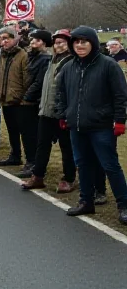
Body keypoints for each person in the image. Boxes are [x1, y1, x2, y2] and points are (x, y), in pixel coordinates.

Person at [56, 26, 127, 224]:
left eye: (84, 41)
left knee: (110, 165)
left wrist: (120, 120)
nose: (80, 45)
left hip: (102, 126)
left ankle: (124, 205)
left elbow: (120, 96)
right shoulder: (69, 66)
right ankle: (86, 201)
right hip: (77, 127)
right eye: (76, 42)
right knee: (83, 165)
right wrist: (64, 115)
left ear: (93, 43)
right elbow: (62, 93)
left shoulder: (108, 65)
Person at [21, 29, 76, 193]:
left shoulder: (71, 62)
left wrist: (65, 112)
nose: (59, 46)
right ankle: (38, 176)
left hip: (62, 113)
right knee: (42, 145)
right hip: (45, 111)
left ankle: (69, 179)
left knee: (67, 148)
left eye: (62, 42)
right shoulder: (52, 60)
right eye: (57, 42)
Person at [9, 29, 51, 179]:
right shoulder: (32, 57)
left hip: (33, 102)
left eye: (37, 40)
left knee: (31, 134)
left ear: (44, 43)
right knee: (26, 133)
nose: (33, 42)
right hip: (26, 100)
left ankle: (33, 162)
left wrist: (26, 97)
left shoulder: (45, 59)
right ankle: (30, 161)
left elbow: (39, 82)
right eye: (32, 40)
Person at [0, 27, 33, 173]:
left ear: (14, 39)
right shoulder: (2, 56)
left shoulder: (23, 55)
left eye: (7, 38)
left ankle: (31, 160)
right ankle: (15, 155)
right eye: (2, 39)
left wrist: (24, 98)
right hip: (6, 99)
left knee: (26, 133)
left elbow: (27, 79)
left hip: (20, 101)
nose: (4, 41)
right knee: (12, 131)